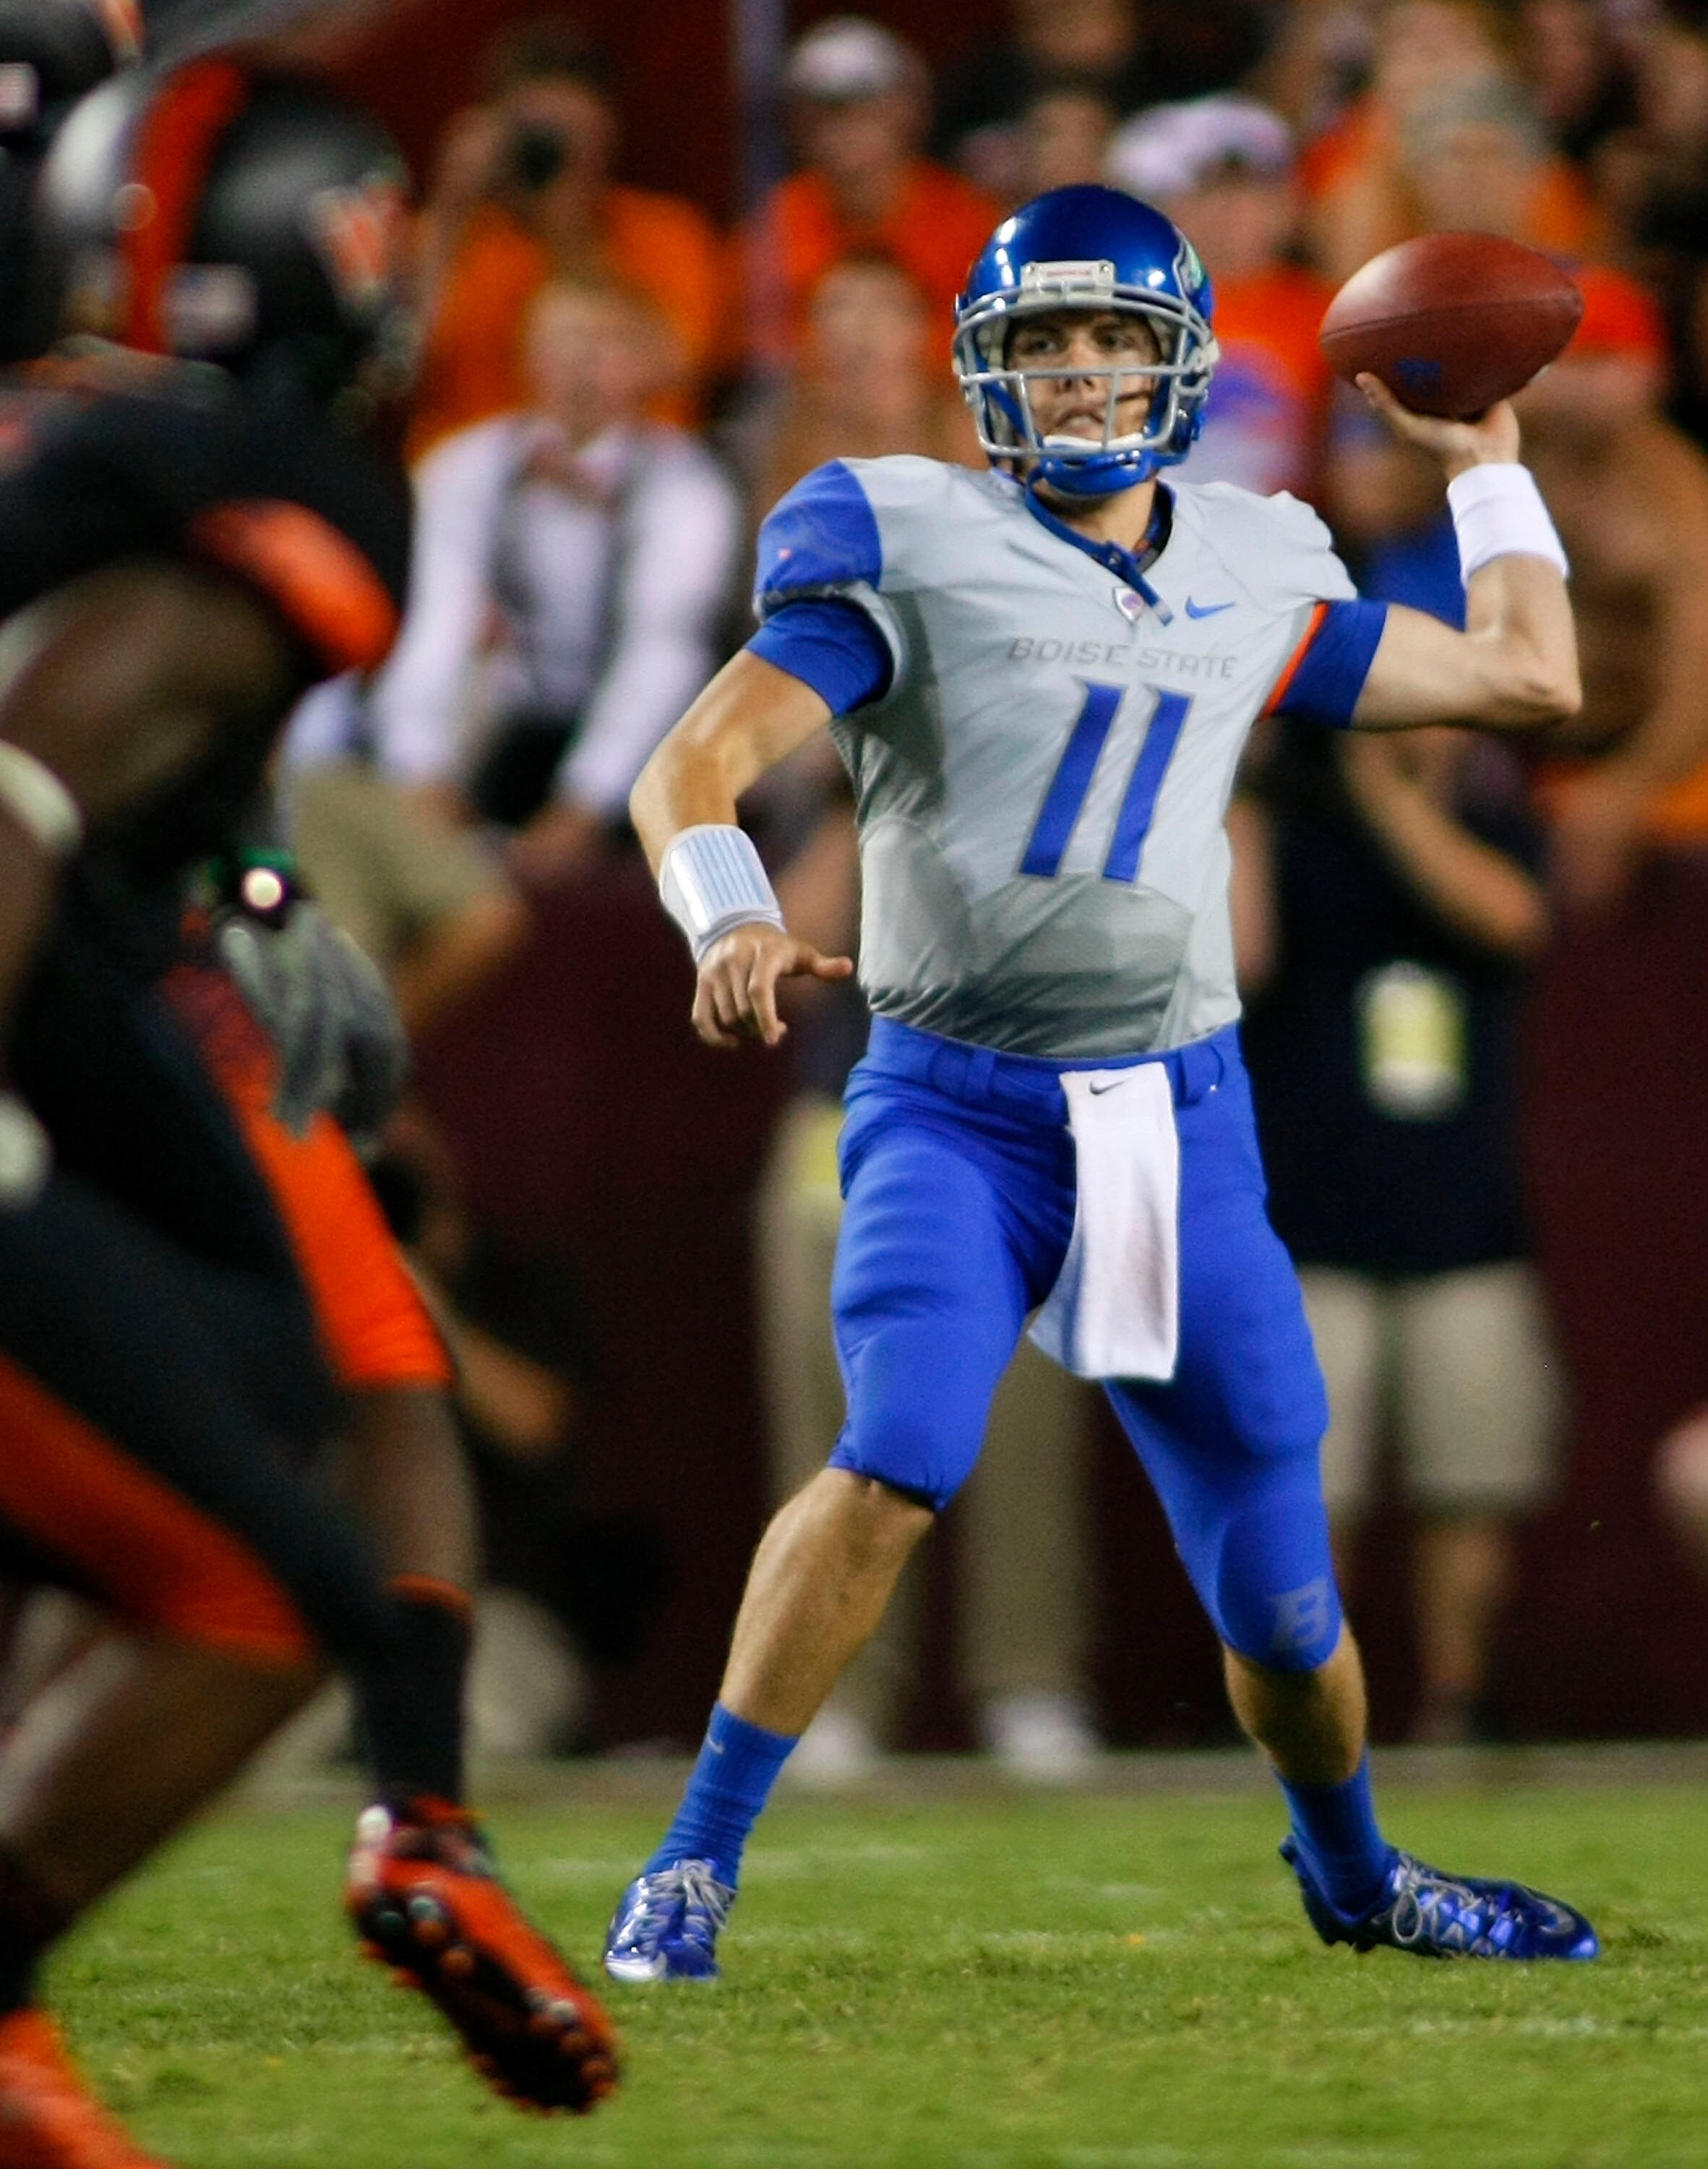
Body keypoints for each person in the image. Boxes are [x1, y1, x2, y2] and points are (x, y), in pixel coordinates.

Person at [599, 183, 1600, 1984]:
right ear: (984, 370)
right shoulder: (904, 537)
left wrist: (1484, 466)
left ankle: (1358, 1878)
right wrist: (726, 915)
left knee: (1280, 1597)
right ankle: (687, 1866)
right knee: (898, 1451)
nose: (1074, 373)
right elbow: (689, 766)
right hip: (952, 1105)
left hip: (1171, 1122)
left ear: (1176, 364)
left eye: (1110, 338)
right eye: (1041, 341)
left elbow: (1530, 675)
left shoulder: (1256, 559)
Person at [0, 58, 614, 2157]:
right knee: (259, 1573)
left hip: (104, 969)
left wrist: (227, 889)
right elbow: (38, 759)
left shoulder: (95, 428)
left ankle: (413, 1816)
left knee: (285, 1352)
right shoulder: (246, 488)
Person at [1234, 722, 1558, 1744]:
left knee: (1467, 1481)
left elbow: (1510, 919)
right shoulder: (1285, 825)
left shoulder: (1495, 823)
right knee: (1304, 1488)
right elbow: (1241, 958)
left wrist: (1390, 798)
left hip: (1462, 1222)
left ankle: (1458, 1704)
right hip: (1309, 1221)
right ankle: (1310, 1708)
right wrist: (1239, 791)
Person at [367, 275, 742, 884]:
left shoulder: (686, 487)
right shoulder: (464, 467)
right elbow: (435, 622)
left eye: (603, 342)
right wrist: (419, 772)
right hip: (503, 720)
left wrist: (584, 806)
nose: (580, 364)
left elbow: (662, 652)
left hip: (630, 745)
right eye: (561, 342)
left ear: (644, 364)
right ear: (527, 356)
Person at [407, 14, 720, 458]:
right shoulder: (451, 237)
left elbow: (674, 366)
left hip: (628, 475)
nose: (555, 154)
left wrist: (566, 224)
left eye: (573, 134)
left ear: (607, 131)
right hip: (475, 478)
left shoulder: (668, 233)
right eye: (537, 135)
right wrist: (450, 207)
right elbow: (397, 371)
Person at [734, 17, 1003, 374]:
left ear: (908, 109)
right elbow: (757, 352)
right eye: (822, 113)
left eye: (863, 107)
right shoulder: (777, 223)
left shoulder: (966, 220)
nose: (843, 128)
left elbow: (988, 344)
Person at [1106, 95, 1333, 501]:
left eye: (1258, 188)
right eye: (1210, 190)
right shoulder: (1117, 313)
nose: (1238, 209)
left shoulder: (1331, 314)